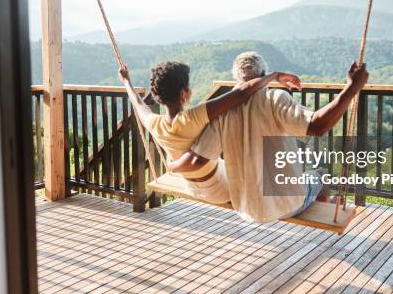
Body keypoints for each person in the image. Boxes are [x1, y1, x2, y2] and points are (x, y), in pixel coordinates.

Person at [166, 52, 369, 223]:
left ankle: (322, 205)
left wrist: (172, 166)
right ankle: (325, 210)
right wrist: (351, 88)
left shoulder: (223, 112)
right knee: (319, 177)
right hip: (286, 204)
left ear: (237, 79)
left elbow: (197, 159)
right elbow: (317, 126)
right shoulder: (274, 99)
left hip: (247, 208)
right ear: (263, 76)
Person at [118, 61, 303, 205]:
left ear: (158, 96)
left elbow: (138, 104)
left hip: (194, 187)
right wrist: (274, 76)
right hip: (220, 190)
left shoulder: (154, 123)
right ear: (184, 94)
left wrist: (126, 81)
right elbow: (240, 94)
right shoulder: (192, 118)